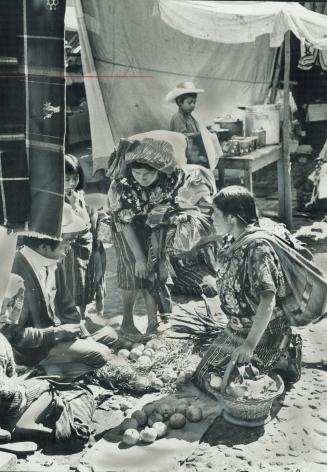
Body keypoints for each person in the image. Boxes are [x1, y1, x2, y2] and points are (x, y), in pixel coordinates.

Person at [195, 186, 304, 395]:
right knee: (205, 377)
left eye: (215, 213)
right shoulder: (233, 240)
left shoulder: (257, 249)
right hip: (237, 328)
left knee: (233, 387)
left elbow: (267, 301)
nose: (211, 218)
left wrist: (249, 345)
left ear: (232, 218)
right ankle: (272, 357)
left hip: (267, 331)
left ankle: (286, 354)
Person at [2, 204, 117, 379]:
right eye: (67, 241)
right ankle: (41, 371)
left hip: (57, 335)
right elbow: (14, 336)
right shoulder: (16, 274)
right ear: (44, 246)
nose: (70, 247)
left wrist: (84, 337)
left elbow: (68, 309)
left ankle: (62, 369)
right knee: (100, 354)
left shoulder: (55, 263)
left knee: (110, 335)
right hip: (33, 350)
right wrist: (58, 333)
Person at [108, 130, 204, 338]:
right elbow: (125, 223)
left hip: (153, 222)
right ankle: (127, 322)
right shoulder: (121, 187)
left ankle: (154, 321)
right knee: (132, 272)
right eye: (137, 173)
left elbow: (171, 203)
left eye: (148, 174)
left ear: (159, 171)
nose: (141, 178)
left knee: (156, 269)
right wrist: (140, 258)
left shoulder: (171, 178)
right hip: (126, 227)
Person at [0, 273, 95, 448]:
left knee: (33, 378)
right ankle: (18, 426)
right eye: (5, 305)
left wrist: (20, 374)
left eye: (11, 306)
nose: (7, 313)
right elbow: (4, 392)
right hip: (4, 405)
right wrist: (22, 384)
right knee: (45, 386)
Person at [63, 153, 105, 316]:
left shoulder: (78, 194)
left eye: (75, 178)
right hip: (68, 246)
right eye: (67, 179)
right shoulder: (57, 196)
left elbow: (87, 220)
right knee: (71, 283)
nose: (71, 183)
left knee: (82, 282)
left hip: (84, 243)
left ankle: (80, 317)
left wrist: (75, 205)